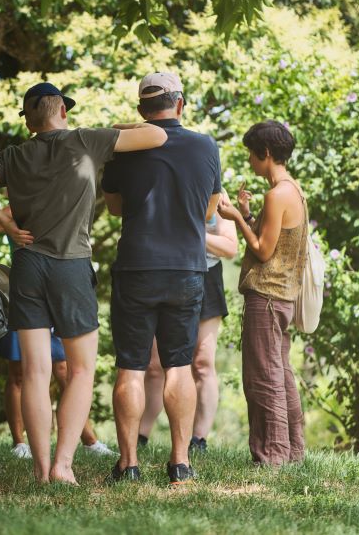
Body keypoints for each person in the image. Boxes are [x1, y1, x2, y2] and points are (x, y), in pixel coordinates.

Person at [0, 82, 167, 484]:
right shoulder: (87, 140)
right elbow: (157, 133)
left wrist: (4, 222)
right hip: (71, 267)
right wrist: (116, 127)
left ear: (30, 120)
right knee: (82, 369)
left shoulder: (14, 156)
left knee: (35, 372)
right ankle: (63, 465)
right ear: (63, 112)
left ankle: (39, 469)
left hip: (28, 266)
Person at [101, 72, 221, 485]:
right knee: (179, 366)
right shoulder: (206, 146)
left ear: (141, 111)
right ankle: (180, 462)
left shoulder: (123, 150)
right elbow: (210, 211)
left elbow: (114, 208)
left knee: (132, 368)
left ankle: (129, 464)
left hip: (136, 265)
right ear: (181, 104)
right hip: (188, 267)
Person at [217, 120, 308, 466]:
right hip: (283, 297)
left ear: (265, 153)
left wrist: (234, 220)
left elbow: (263, 250)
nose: (250, 163)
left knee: (262, 378)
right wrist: (247, 213)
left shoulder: (277, 194)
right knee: (280, 374)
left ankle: (271, 456)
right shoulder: (293, 190)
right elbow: (274, 239)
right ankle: (292, 452)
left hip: (267, 298)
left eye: (251, 156)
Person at [137, 191, 237, 454]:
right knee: (155, 365)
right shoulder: (164, 182)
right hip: (167, 272)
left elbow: (230, 247)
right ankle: (141, 436)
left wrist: (193, 235)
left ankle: (198, 440)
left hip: (206, 276)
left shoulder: (217, 192)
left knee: (202, 362)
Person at [0, 330, 117, 459]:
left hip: (57, 314)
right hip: (27, 312)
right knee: (18, 372)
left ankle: (90, 442)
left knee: (65, 371)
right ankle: (19, 443)